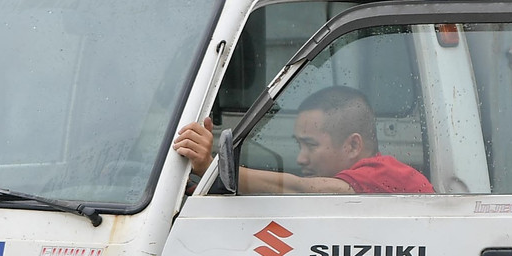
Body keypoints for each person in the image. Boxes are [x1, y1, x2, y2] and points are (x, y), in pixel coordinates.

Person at [172, 86, 434, 195]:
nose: (300, 158)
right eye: (299, 145)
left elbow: (299, 189)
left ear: (353, 145)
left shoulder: (383, 175)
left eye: (311, 145)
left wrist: (213, 168)